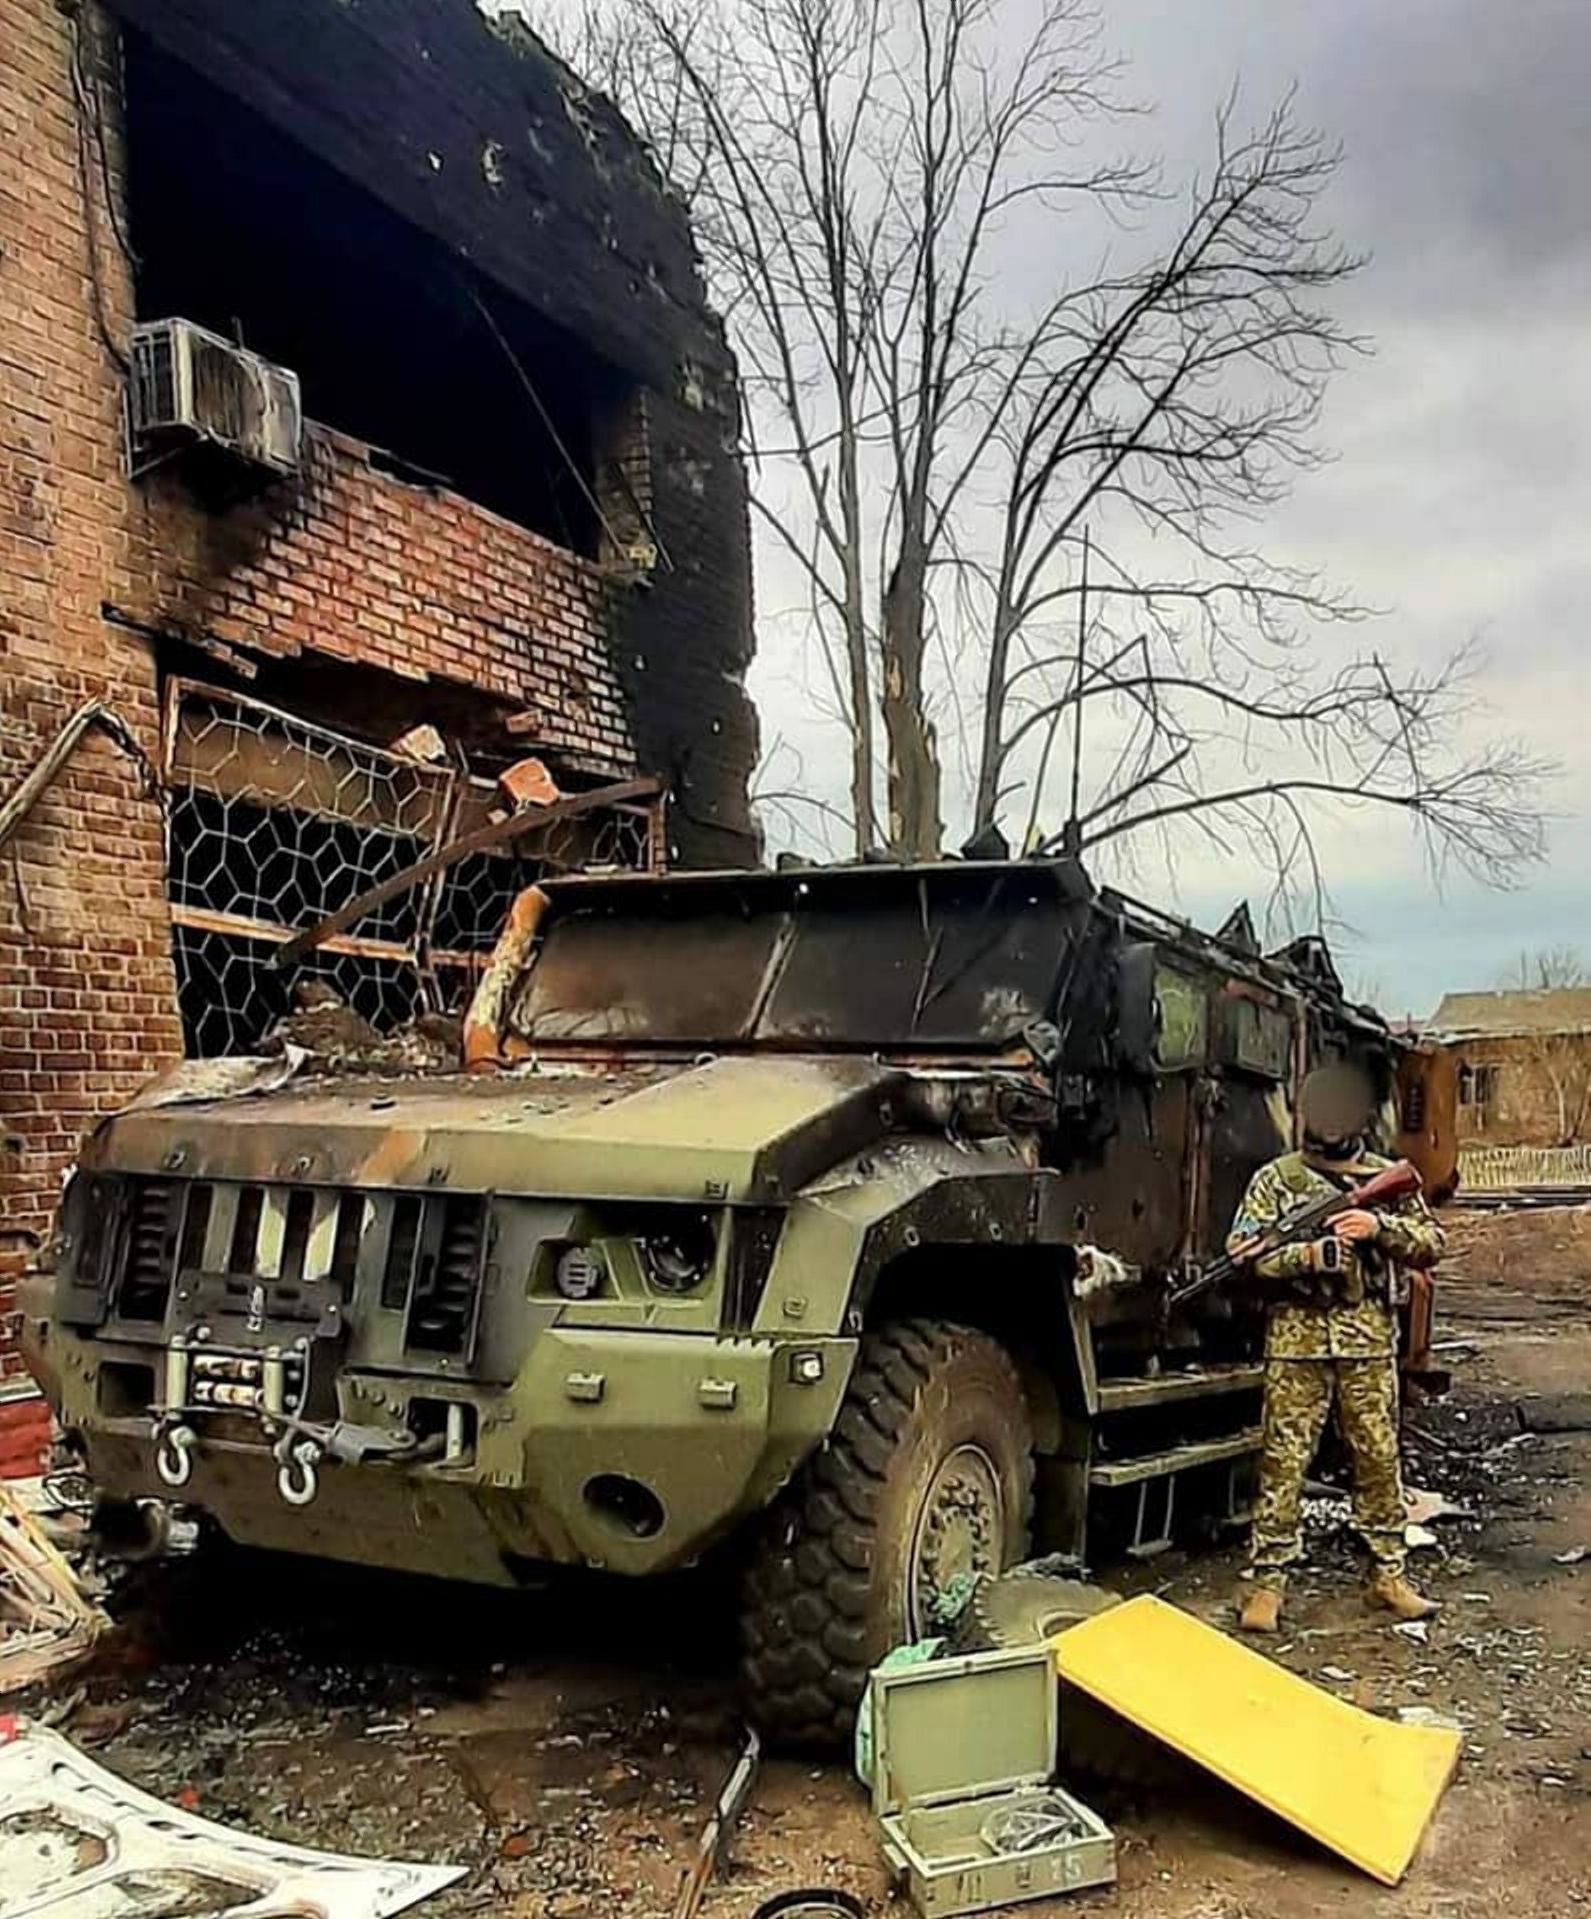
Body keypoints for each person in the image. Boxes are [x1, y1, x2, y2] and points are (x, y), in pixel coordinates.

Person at [1232, 1063, 1444, 1634]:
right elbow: (1243, 1252)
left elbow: (1432, 1243)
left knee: (1378, 1459)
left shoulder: (1383, 1177)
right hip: (1296, 1341)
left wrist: (1377, 1229)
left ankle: (1388, 1576)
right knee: (1283, 1463)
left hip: (1367, 1341)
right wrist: (1307, 1257)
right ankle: (1267, 1584)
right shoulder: (1276, 1181)